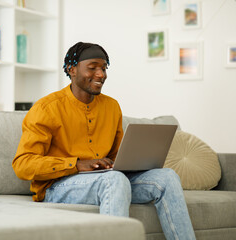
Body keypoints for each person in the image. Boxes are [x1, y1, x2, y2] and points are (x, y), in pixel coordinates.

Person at [12, 42, 196, 240]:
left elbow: (118, 156)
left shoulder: (112, 106)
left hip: (106, 179)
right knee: (113, 180)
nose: (101, 74)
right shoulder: (47, 108)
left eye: (104, 68)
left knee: (167, 176)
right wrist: (76, 165)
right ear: (71, 69)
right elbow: (23, 165)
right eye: (92, 68)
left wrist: (134, 162)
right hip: (57, 186)